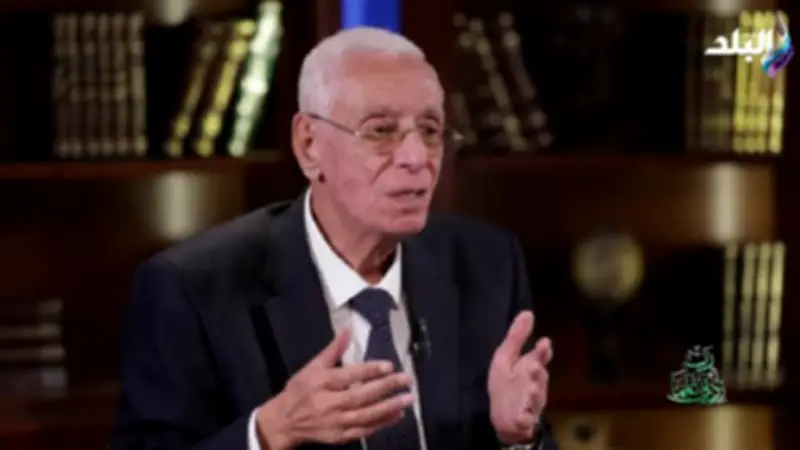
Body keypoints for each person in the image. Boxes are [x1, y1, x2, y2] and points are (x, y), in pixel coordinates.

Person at [111, 27, 558, 450]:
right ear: (309, 145)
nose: (417, 157)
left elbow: (529, 436)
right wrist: (271, 430)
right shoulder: (193, 288)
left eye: (430, 130)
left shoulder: (487, 265)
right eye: (381, 131)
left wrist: (516, 438)